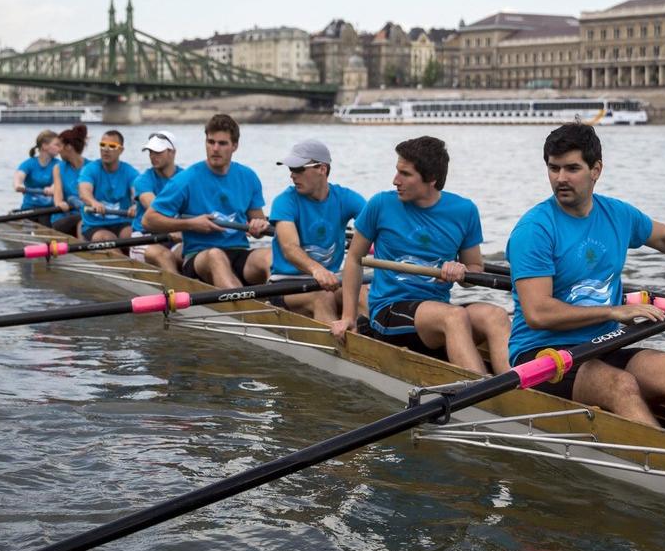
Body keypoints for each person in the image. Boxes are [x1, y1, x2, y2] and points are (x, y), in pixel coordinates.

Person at [505, 123, 665, 447]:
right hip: (542, 358)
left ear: (596, 170)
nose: (560, 178)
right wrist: (613, 312)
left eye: (572, 168)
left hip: (602, 345)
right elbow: (538, 313)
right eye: (553, 168)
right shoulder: (534, 230)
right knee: (619, 384)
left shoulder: (617, 214)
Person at [332, 136, 508, 375]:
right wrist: (348, 317)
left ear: (431, 179)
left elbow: (474, 268)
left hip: (435, 312)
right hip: (389, 311)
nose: (396, 180)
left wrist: (462, 273)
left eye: (405, 174)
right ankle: (483, 399)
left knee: (495, 315)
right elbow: (354, 259)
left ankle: (522, 392)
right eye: (397, 171)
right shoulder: (381, 204)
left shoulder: (464, 211)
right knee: (454, 317)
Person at [142, 114, 270, 287]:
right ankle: (245, 308)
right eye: (211, 142)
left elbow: (259, 223)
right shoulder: (186, 179)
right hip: (199, 256)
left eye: (222, 143)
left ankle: (279, 304)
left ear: (235, 146)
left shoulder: (248, 177)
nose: (215, 148)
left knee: (270, 256)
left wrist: (259, 226)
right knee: (215, 255)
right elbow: (149, 220)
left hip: (238, 252)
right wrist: (192, 224)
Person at [267, 139, 366, 323]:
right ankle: (340, 348)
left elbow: (377, 226)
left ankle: (370, 341)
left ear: (322, 168)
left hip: (329, 280)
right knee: (323, 296)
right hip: (286, 284)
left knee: (362, 293)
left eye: (298, 169)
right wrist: (316, 269)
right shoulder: (284, 201)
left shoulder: (346, 198)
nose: (292, 176)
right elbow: (290, 248)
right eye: (291, 169)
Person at [132, 131, 184, 273]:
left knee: (195, 254)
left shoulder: (186, 177)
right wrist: (175, 227)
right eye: (150, 152)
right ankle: (178, 293)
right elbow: (157, 210)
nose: (152, 156)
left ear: (172, 152)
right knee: (165, 256)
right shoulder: (143, 180)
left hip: (175, 238)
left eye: (158, 152)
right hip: (144, 237)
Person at [78, 130, 139, 243]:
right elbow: (84, 192)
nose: (105, 149)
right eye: (102, 145)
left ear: (121, 150)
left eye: (111, 146)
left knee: (133, 237)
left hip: (123, 222)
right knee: (106, 239)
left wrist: (136, 205)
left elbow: (138, 193)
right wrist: (93, 202)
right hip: (95, 224)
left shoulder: (130, 172)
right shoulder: (90, 169)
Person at [49, 124, 89, 237]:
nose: (58, 151)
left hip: (88, 214)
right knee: (82, 221)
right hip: (62, 218)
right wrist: (61, 203)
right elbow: (58, 199)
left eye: (59, 146)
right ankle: (86, 253)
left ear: (69, 146)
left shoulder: (92, 167)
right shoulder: (58, 168)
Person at [13, 129, 61, 223]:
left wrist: (53, 188)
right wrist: (18, 185)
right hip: (29, 209)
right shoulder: (29, 163)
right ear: (44, 146)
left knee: (46, 219)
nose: (60, 148)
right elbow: (19, 176)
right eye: (57, 145)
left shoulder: (59, 165)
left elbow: (59, 181)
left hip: (50, 209)